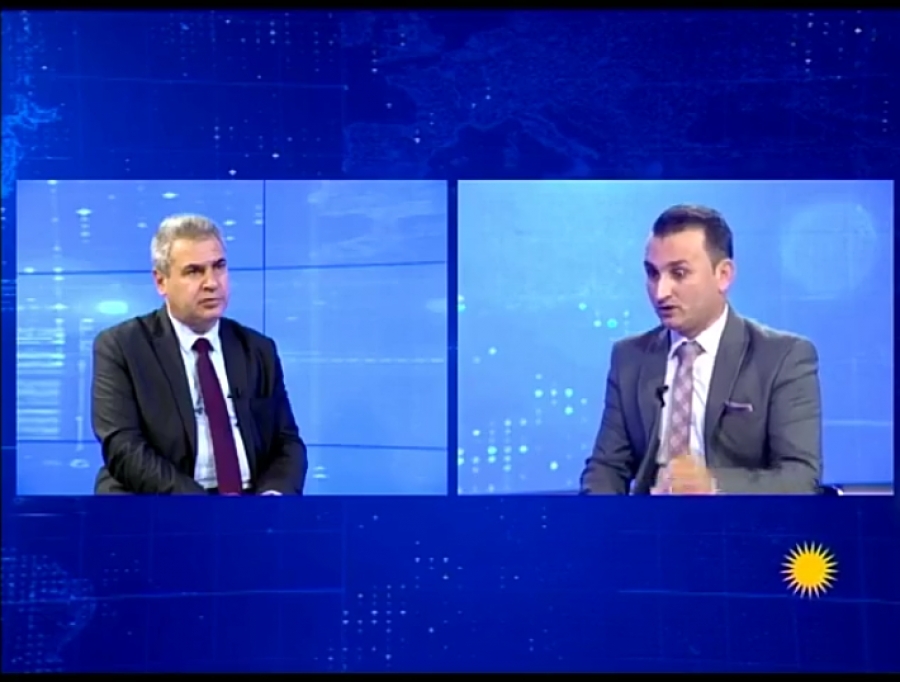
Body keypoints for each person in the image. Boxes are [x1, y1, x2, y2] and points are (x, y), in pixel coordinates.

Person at [579, 204, 822, 495]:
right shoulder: (629, 358)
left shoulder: (783, 357)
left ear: (723, 275)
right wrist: (597, 519)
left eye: (679, 273)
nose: (661, 292)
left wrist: (713, 485)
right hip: (650, 519)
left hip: (738, 520)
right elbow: (607, 467)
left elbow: (800, 478)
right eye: (653, 274)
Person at [90, 214, 307, 495]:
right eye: (194, 271)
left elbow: (287, 443)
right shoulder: (121, 346)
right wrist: (202, 509)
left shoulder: (258, 349)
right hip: (160, 499)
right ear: (161, 282)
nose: (212, 283)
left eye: (219, 267)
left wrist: (272, 497)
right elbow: (124, 448)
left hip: (248, 500)